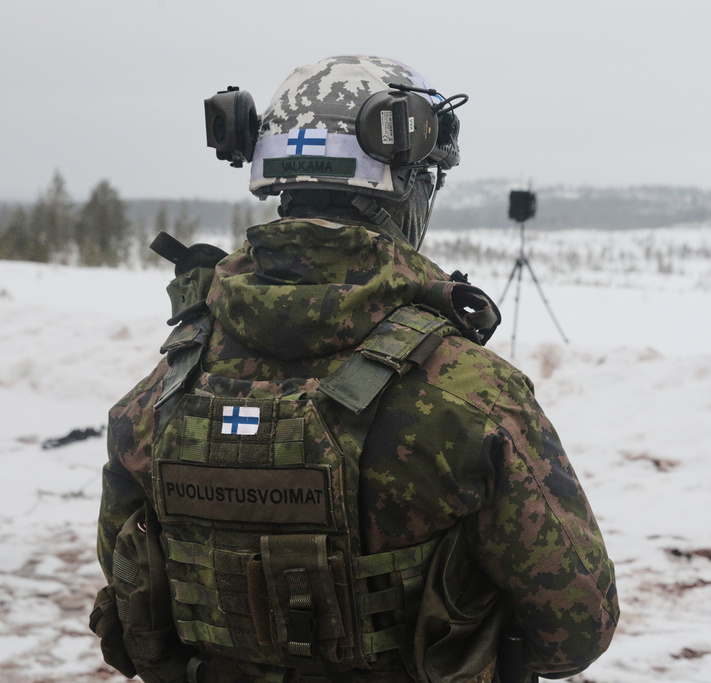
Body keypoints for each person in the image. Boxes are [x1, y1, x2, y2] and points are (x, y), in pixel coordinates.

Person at [92, 56, 617, 683]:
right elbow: (576, 629)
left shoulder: (161, 393)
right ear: (407, 189)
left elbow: (128, 587)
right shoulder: (470, 396)